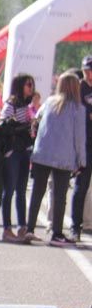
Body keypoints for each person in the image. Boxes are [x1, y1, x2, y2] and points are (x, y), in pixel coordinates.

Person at [25, 73, 87, 245]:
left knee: (37, 192)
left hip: (42, 153)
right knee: (60, 195)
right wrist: (82, 161)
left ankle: (29, 229)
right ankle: (56, 234)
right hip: (63, 157)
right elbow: (79, 138)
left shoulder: (49, 103)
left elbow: (36, 120)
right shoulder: (78, 109)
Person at [0, 74, 37, 243]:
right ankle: (7, 229)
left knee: (21, 191)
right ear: (20, 86)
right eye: (28, 84)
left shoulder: (27, 105)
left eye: (32, 84)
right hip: (12, 152)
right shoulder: (11, 104)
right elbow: (3, 125)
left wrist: (33, 124)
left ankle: (23, 227)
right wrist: (25, 126)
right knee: (10, 190)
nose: (31, 88)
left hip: (24, 151)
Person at [72, 55, 92, 241]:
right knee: (81, 186)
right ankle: (75, 227)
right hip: (84, 145)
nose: (89, 73)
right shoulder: (78, 88)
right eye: (86, 70)